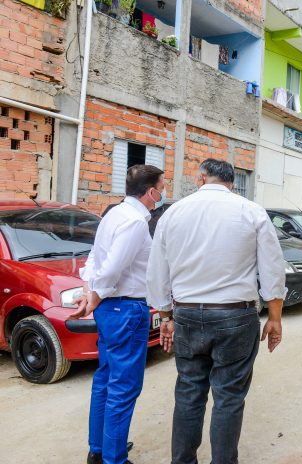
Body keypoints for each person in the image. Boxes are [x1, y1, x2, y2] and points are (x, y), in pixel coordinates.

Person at [146, 158, 286, 464]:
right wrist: (275, 318)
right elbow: (273, 271)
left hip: (185, 316)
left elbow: (157, 272)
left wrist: (166, 317)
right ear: (232, 183)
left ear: (201, 178)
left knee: (189, 392)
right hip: (235, 318)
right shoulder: (251, 211)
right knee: (229, 396)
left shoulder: (173, 213)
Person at [70, 164, 165, 464]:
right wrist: (94, 297)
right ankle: (114, 459)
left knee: (106, 379)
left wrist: (89, 292)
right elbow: (111, 269)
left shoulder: (113, 214)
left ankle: (98, 449)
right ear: (151, 192)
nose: (163, 193)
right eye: (162, 188)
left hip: (112, 309)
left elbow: (96, 259)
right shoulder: (135, 223)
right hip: (126, 308)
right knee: (124, 387)